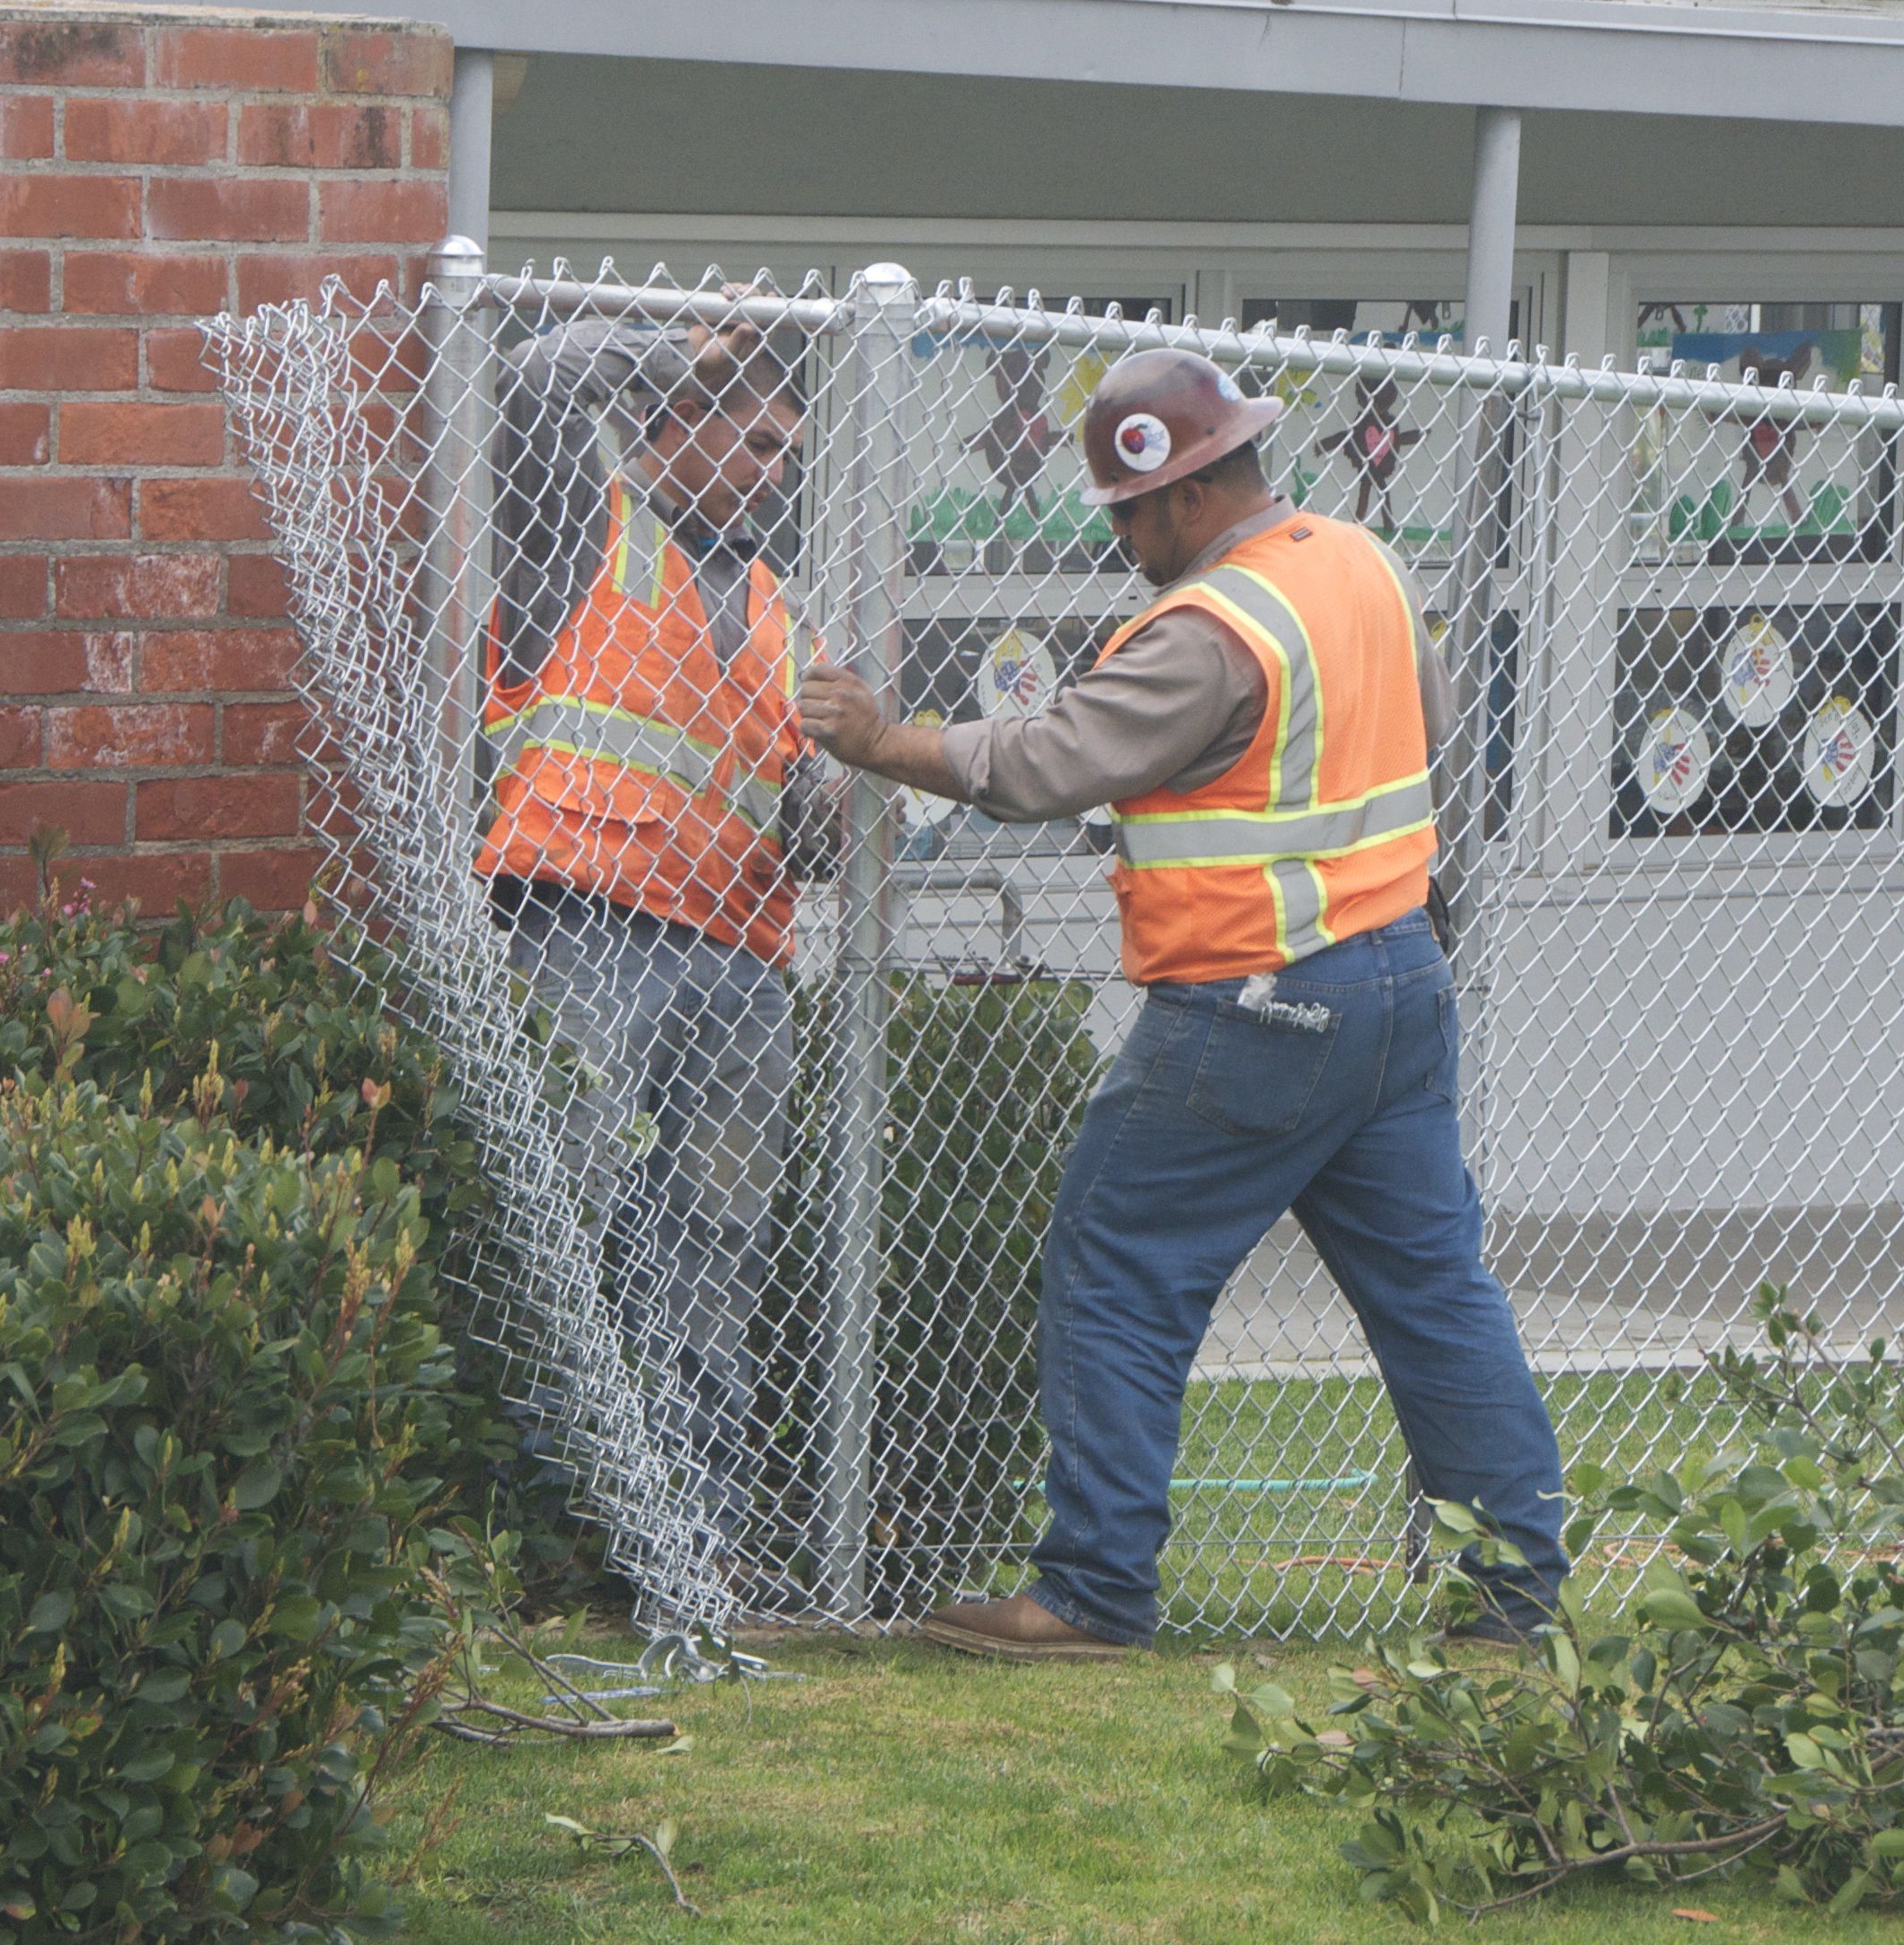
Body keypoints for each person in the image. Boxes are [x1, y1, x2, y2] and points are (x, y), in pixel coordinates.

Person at [799, 347, 1570, 1660]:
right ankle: (1517, 1595)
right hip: (1397, 976)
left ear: (1186, 494)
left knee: (1120, 1267)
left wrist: (884, 743)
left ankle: (1094, 1589)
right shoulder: (1363, 566)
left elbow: (1049, 761)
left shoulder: (1215, 630)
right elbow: (1439, 760)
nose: (1122, 540)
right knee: (1437, 1291)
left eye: (1126, 513)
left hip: (1251, 1004)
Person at [480, 298, 837, 1596]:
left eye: (787, 449)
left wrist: (834, 803)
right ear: (667, 432)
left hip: (741, 959)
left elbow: (807, 816)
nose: (775, 470)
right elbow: (530, 386)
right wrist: (670, 351)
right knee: (563, 1223)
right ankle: (551, 1536)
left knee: (716, 1248)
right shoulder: (582, 535)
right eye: (753, 441)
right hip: (581, 929)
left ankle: (700, 1539)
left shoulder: (779, 608)